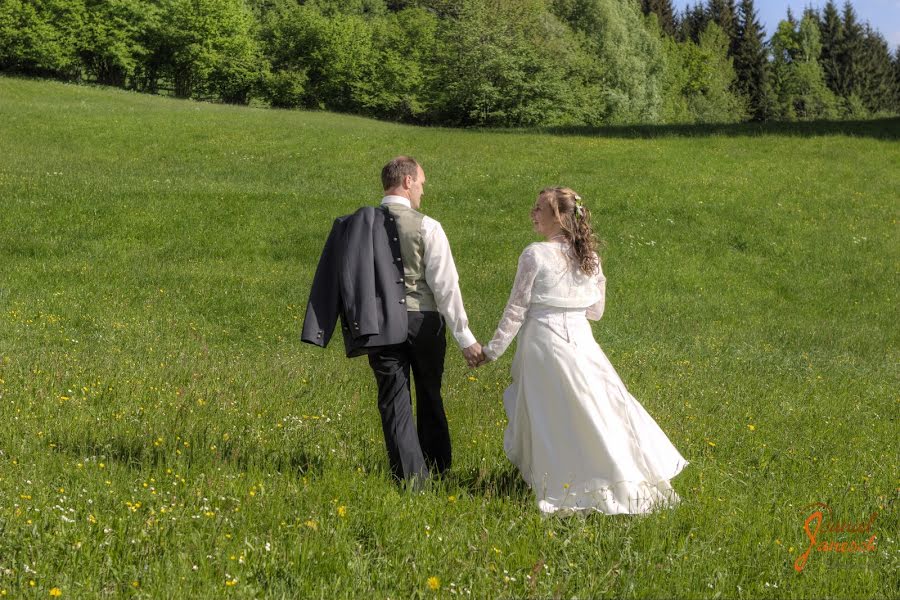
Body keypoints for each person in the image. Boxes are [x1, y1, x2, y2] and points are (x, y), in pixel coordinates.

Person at [476, 187, 688, 515]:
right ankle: (613, 475)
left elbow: (516, 310)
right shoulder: (589, 257)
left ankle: (562, 482)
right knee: (596, 410)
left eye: (539, 209)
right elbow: (596, 311)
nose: (533, 214)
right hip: (582, 343)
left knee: (552, 417)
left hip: (544, 344)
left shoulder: (534, 254)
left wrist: (491, 351)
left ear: (559, 217)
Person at [365, 156, 481, 487]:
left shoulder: (360, 226)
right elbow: (446, 287)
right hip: (423, 321)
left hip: (380, 322)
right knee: (429, 393)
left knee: (393, 398)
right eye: (421, 184)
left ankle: (410, 477)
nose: (422, 192)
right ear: (407, 182)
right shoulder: (428, 226)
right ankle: (437, 467)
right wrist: (465, 337)